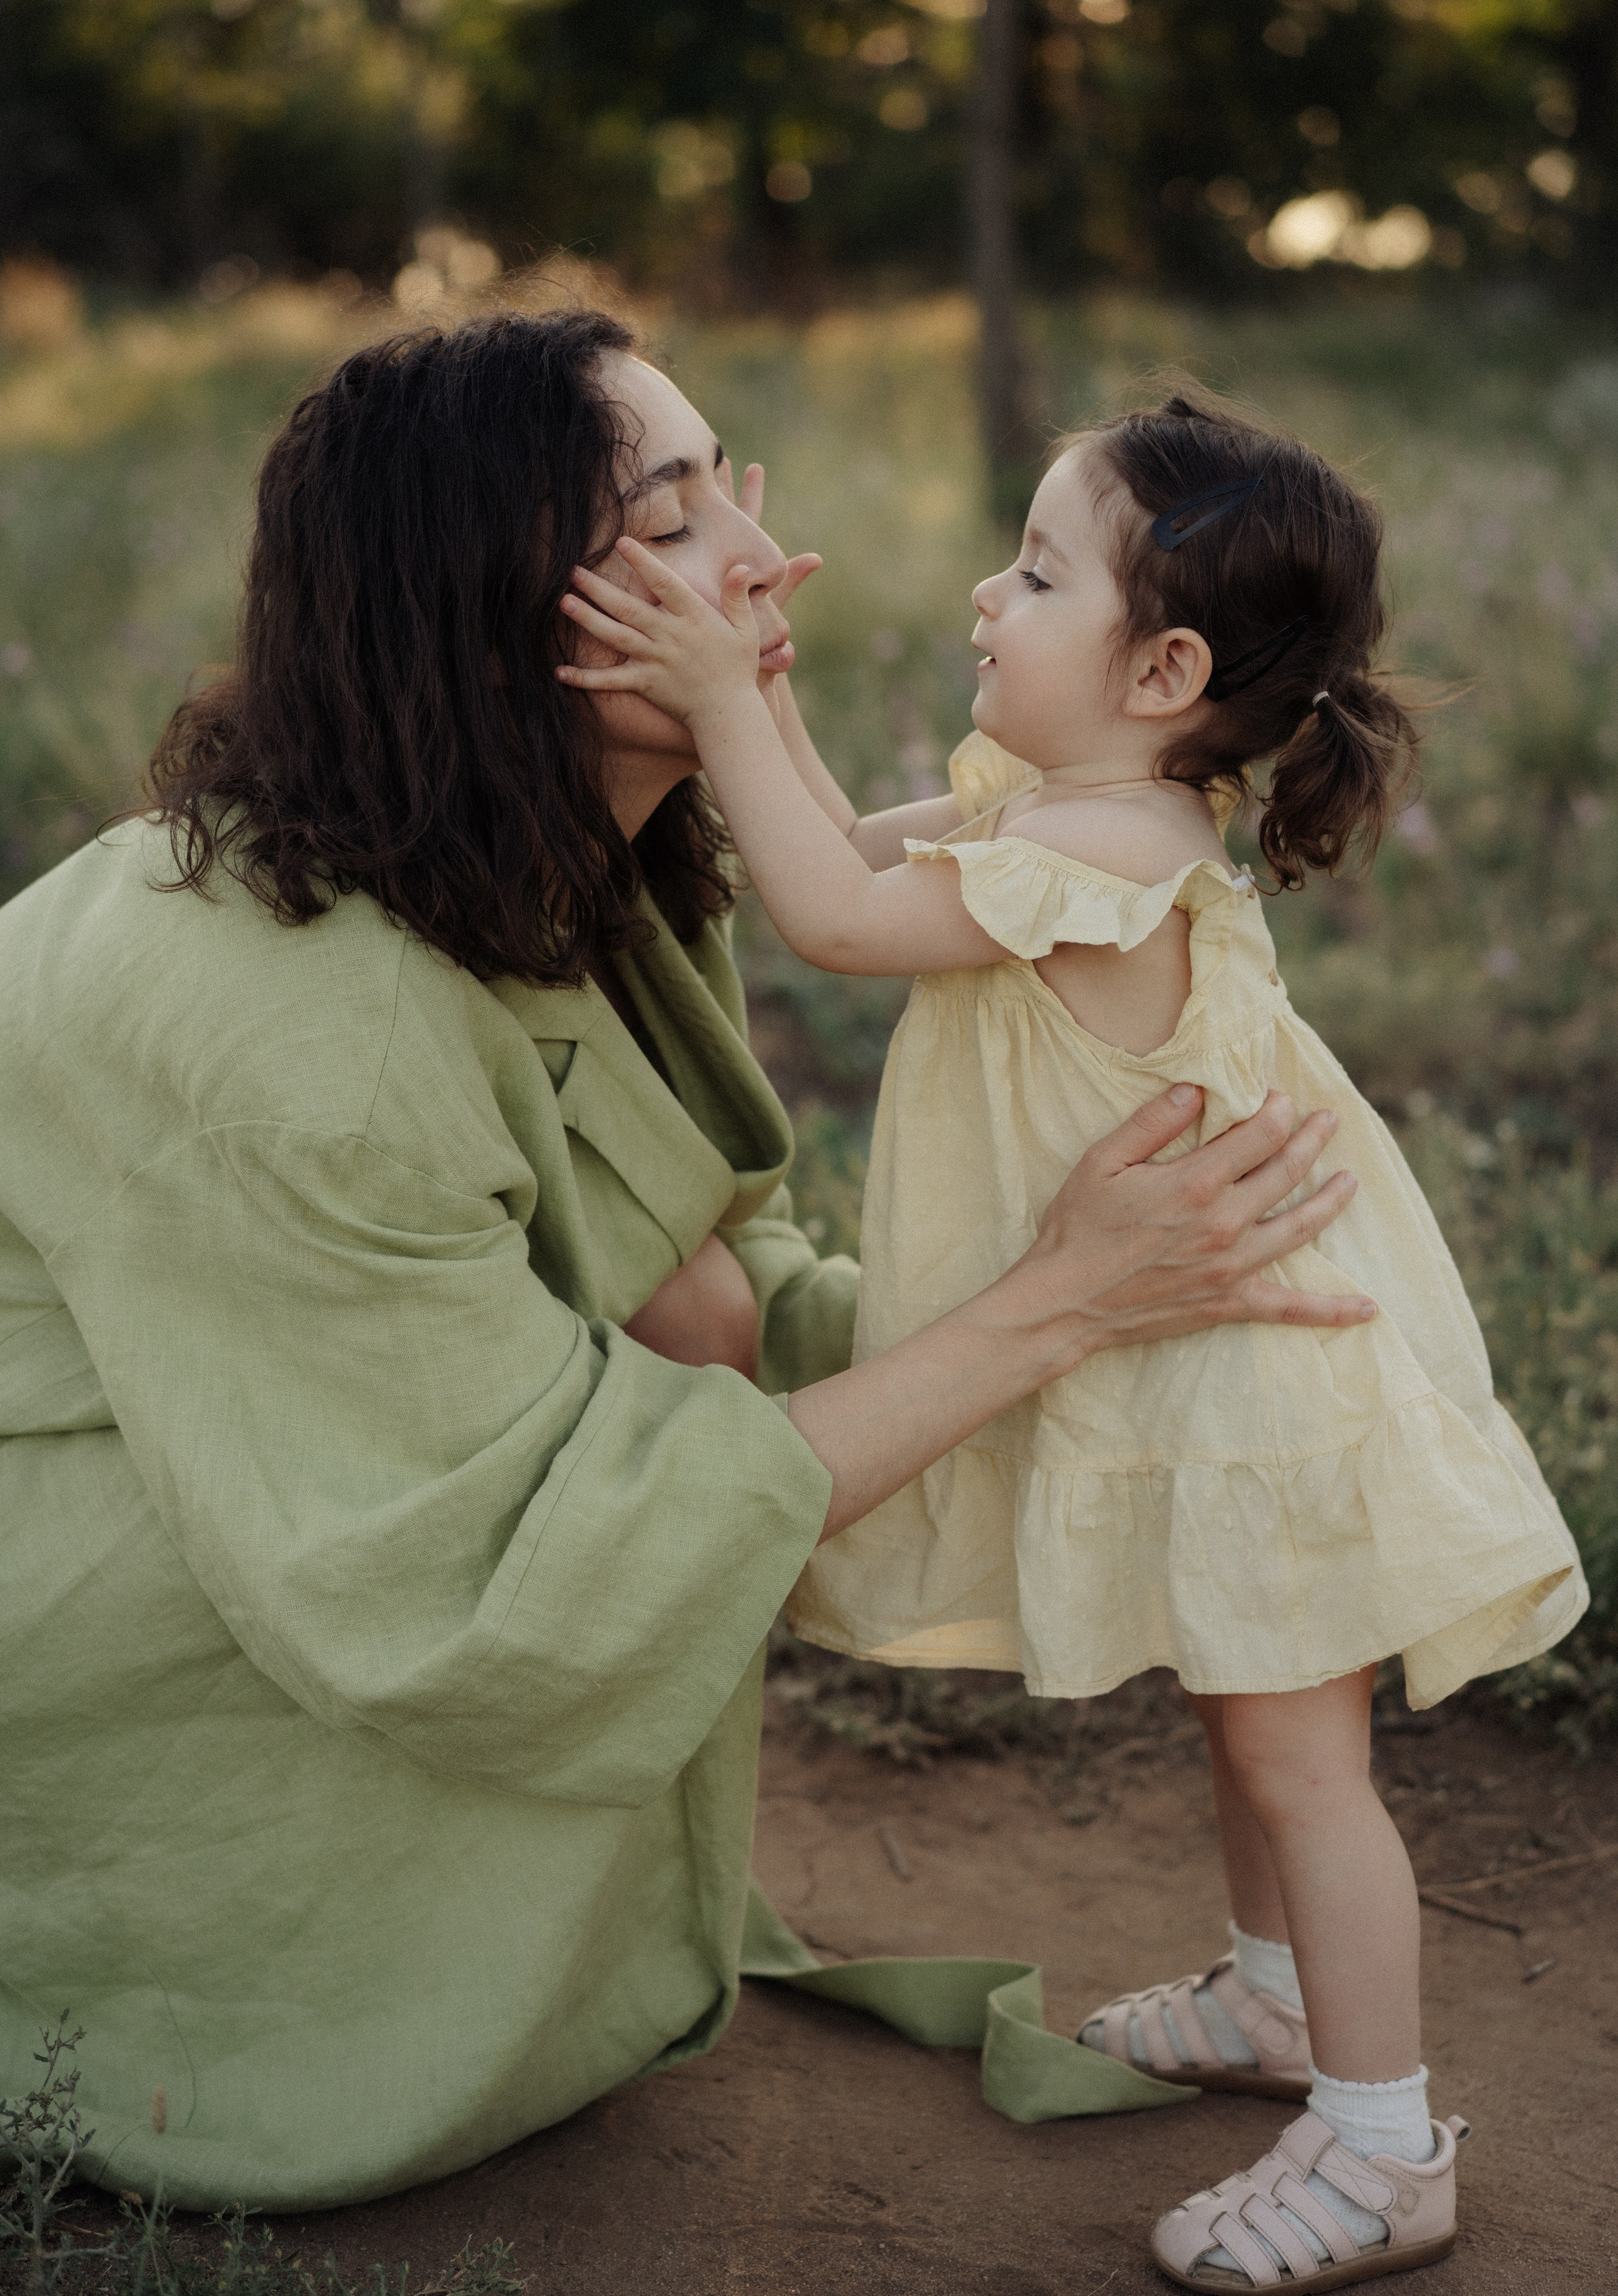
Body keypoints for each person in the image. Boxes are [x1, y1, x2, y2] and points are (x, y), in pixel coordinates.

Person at [0, 314, 1375, 2216]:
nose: (758, 563)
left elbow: (729, 1268)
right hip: (120, 1606)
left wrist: (1152, 1308)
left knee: (711, 1307)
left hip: (351, 1465)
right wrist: (1058, 1303)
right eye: (670, 525)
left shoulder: (573, 854)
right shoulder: (284, 1026)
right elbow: (470, 1584)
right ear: (490, 604)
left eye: (736, 492)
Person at [556, 384, 1587, 2290]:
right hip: (1207, 1347)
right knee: (1242, 1703)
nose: (982, 595)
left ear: (1166, 664)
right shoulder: (1069, 807)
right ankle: (1283, 2004)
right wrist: (753, 658)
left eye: (1036, 571)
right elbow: (838, 864)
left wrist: (714, 685)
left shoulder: (1116, 860)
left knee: (1301, 1759)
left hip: (1265, 1368)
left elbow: (834, 923)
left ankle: (1381, 2143)